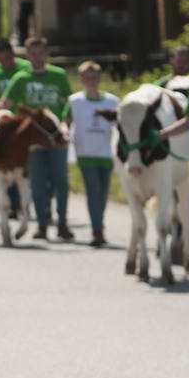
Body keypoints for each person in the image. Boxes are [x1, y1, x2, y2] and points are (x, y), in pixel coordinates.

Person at [1, 38, 73, 241]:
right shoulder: (21, 78)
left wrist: (66, 124)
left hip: (57, 137)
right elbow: (6, 103)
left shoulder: (59, 75)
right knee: (38, 183)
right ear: (27, 56)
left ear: (47, 53)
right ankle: (42, 224)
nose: (37, 57)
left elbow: (69, 102)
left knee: (61, 181)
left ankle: (63, 222)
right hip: (33, 141)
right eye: (32, 54)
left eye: (40, 53)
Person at [66, 62, 119, 247]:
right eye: (87, 78)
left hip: (106, 153)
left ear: (100, 79)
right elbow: (66, 121)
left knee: (103, 193)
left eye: (94, 78)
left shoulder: (113, 101)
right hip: (85, 152)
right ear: (81, 80)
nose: (91, 81)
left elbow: (121, 125)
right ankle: (97, 230)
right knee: (93, 191)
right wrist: (67, 134)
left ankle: (99, 223)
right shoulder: (75, 101)